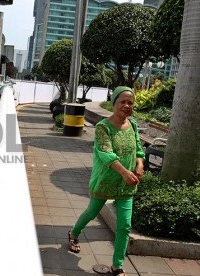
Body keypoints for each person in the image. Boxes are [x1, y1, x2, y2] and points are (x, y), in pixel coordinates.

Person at [67, 86, 145, 276]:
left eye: (130, 102)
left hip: (126, 185)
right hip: (105, 181)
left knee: (125, 225)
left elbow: (138, 147)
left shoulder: (133, 124)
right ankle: (74, 233)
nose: (126, 106)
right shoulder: (103, 127)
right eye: (123, 102)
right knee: (91, 212)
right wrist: (125, 172)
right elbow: (106, 154)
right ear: (114, 103)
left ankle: (117, 266)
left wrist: (140, 163)